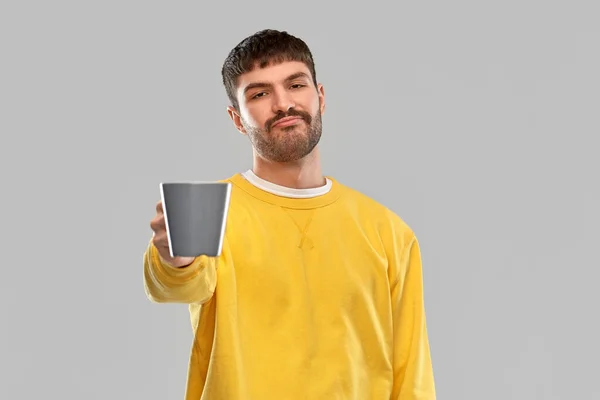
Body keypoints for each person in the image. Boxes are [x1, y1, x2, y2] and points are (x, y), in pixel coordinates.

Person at [143, 29, 436, 400]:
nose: (283, 104)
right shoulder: (213, 213)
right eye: (260, 93)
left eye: (296, 84)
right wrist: (174, 259)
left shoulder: (389, 231)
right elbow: (175, 284)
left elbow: (413, 376)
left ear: (321, 97)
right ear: (236, 118)